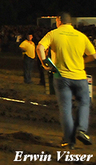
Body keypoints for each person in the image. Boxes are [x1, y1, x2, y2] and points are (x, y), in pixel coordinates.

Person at [37, 12, 96, 149]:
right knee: (84, 103)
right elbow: (93, 55)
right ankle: (81, 129)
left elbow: (40, 47)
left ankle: (69, 140)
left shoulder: (54, 34)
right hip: (80, 77)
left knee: (66, 108)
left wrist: (44, 62)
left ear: (58, 21)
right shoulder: (81, 36)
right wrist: (83, 61)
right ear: (71, 22)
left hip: (61, 76)